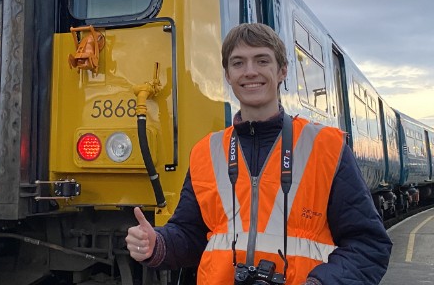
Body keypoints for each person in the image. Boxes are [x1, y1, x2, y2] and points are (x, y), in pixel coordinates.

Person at [125, 23, 391, 285]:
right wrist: (157, 244)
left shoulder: (326, 148)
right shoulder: (206, 152)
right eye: (238, 63)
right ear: (228, 75)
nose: (249, 72)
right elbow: (190, 233)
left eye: (262, 61)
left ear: (282, 71)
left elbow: (368, 244)